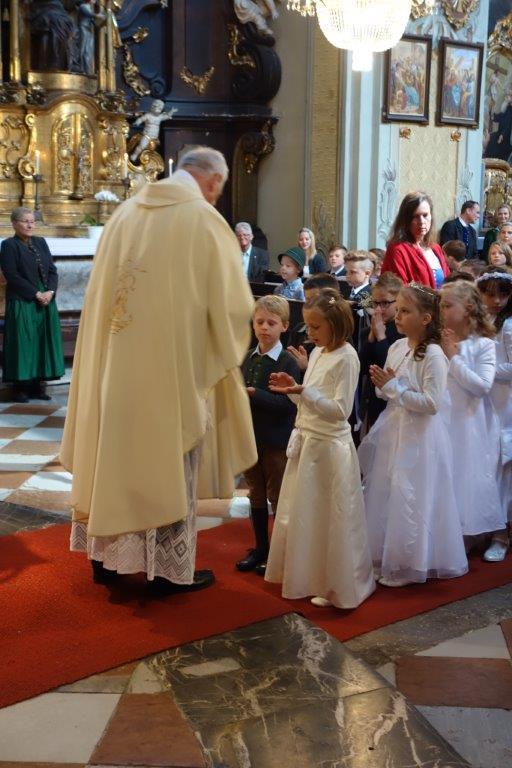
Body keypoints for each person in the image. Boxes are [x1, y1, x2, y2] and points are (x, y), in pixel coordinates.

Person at [60, 147, 257, 593]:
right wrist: (212, 353)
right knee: (166, 463)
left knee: (113, 457)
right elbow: (232, 307)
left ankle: (106, 560)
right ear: (213, 180)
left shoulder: (125, 214)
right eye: (219, 189)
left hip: (113, 372)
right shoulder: (203, 220)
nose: (216, 196)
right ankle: (165, 570)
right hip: (169, 377)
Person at [264, 288, 375, 609]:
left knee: (332, 517)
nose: (310, 333)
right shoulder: (318, 353)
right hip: (309, 442)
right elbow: (308, 403)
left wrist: (304, 392)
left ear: (336, 324)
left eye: (316, 327)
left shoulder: (347, 357)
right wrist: (293, 390)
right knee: (307, 515)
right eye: (308, 326)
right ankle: (311, 576)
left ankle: (338, 583)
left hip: (329, 447)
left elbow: (340, 410)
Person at [358, 284, 468, 587]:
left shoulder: (433, 354)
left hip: (420, 436)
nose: (397, 316)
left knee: (413, 494)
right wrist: (385, 386)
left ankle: (412, 562)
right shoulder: (397, 347)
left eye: (405, 311)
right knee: (389, 490)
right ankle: (389, 555)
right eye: (399, 310)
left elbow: (432, 404)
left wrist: (393, 387)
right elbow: (384, 392)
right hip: (394, 428)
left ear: (426, 318)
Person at [439, 280, 504, 560]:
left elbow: (481, 386)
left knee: (468, 473)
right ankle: (452, 530)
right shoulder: (440, 341)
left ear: (467, 308)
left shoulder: (484, 345)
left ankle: (476, 531)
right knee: (448, 472)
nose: (441, 311)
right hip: (443, 417)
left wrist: (453, 358)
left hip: (470, 421)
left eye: (447, 305)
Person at [236, 296, 301, 575]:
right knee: (256, 493)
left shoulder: (288, 362)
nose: (264, 328)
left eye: (271, 323)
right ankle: (261, 547)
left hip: (276, 440)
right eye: (259, 322)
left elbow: (288, 404)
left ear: (284, 326)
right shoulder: (247, 357)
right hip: (251, 438)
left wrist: (255, 394)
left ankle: (279, 552)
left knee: (277, 495)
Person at [0, 207, 65, 403]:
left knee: (41, 341)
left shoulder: (40, 242)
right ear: (14, 223)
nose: (30, 225)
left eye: (32, 221)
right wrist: (36, 293)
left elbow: (52, 270)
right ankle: (20, 388)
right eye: (25, 221)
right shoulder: (9, 245)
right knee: (23, 342)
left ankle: (37, 386)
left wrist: (50, 292)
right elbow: (11, 275)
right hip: (23, 300)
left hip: (45, 299)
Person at [477, 268, 512, 560]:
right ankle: (483, 526)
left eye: (503, 294)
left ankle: (501, 534)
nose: (497, 301)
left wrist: (484, 371)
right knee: (484, 463)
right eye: (490, 294)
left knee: (502, 464)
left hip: (504, 400)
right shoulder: (480, 323)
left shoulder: (508, 325)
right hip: (482, 398)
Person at [359, 272, 403, 433]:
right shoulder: (369, 330)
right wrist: (372, 337)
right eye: (375, 303)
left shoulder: (403, 331)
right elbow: (362, 367)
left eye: (385, 303)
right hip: (372, 399)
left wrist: (381, 337)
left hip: (395, 402)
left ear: (399, 302)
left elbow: (391, 368)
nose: (378, 309)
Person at [381, 192, 450, 289]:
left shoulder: (436, 248)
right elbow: (400, 289)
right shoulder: (397, 249)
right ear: (406, 220)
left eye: (425, 215)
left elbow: (448, 282)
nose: (421, 222)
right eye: (415, 216)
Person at [75, 0, 105, 75]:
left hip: (88, 30)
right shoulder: (83, 6)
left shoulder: (89, 8)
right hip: (83, 29)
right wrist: (99, 15)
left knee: (88, 51)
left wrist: (100, 21)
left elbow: (92, 20)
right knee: (82, 49)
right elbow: (89, 14)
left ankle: (87, 71)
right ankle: (80, 68)